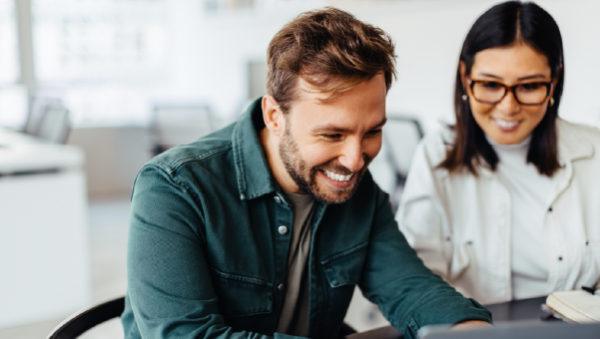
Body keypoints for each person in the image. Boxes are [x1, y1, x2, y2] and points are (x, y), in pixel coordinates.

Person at [121, 7, 492, 339]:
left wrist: (469, 331)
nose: (355, 160)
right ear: (274, 117)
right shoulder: (174, 189)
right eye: (333, 134)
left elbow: (409, 287)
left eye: (373, 131)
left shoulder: (357, 190)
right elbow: (184, 335)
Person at [396, 1, 600, 306]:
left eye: (529, 85)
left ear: (554, 81)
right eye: (491, 84)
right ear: (466, 77)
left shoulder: (595, 152)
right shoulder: (436, 155)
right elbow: (414, 280)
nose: (508, 107)